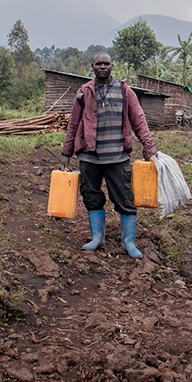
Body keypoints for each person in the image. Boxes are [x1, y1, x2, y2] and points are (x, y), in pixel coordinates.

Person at [61, 52, 158, 258]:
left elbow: (139, 120)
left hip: (118, 157)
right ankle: (97, 239)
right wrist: (66, 152)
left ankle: (128, 243)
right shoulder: (83, 92)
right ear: (92, 66)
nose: (102, 67)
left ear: (112, 66)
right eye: (98, 64)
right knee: (91, 196)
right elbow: (73, 124)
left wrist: (149, 149)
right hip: (89, 157)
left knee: (124, 198)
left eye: (106, 63)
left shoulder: (125, 91)